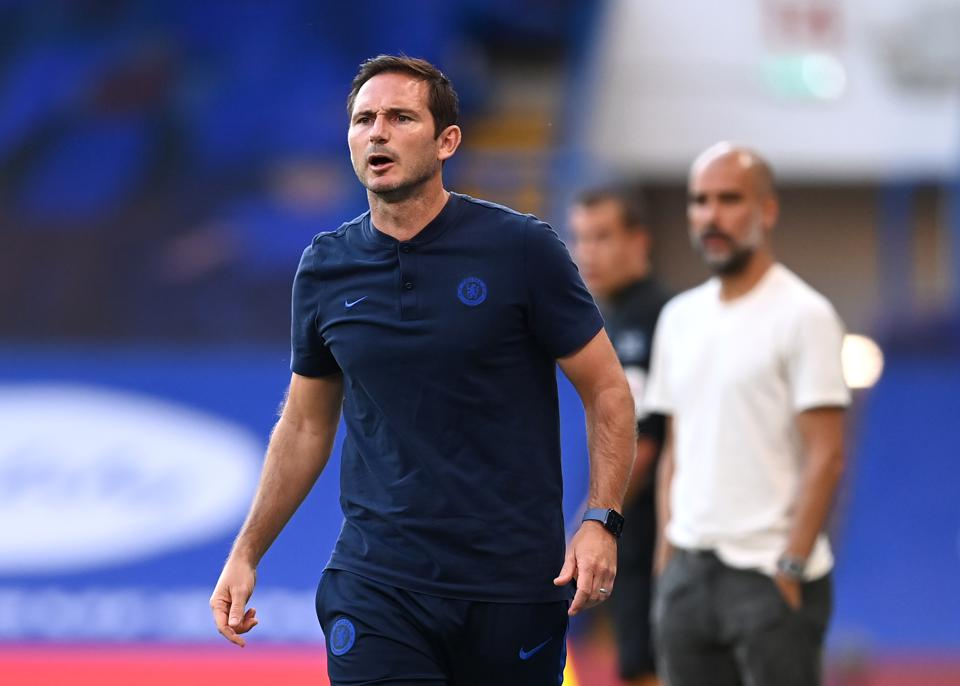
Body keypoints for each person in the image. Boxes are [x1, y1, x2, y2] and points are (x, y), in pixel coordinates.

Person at [208, 55, 637, 686]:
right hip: (377, 582)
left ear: (447, 142)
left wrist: (601, 521)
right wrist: (246, 552)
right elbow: (303, 425)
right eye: (364, 120)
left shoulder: (522, 249)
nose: (377, 132)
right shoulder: (325, 267)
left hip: (512, 583)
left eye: (400, 117)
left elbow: (607, 390)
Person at [645, 142, 850, 686]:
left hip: (770, 574)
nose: (711, 215)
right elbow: (676, 450)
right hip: (689, 574)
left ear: (767, 210)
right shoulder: (679, 318)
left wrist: (791, 565)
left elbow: (827, 454)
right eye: (699, 200)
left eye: (729, 199)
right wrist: (667, 561)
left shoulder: (805, 315)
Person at [569, 186, 670, 686]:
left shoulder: (653, 318)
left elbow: (644, 444)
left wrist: (594, 522)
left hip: (655, 530)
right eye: (581, 238)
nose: (588, 252)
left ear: (639, 241)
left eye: (603, 237)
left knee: (647, 664)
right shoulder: (612, 319)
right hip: (637, 528)